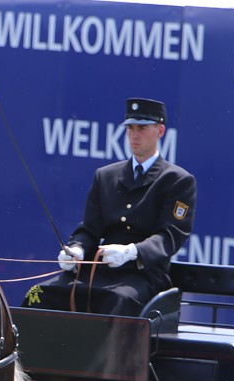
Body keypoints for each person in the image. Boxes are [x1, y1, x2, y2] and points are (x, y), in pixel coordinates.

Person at [23, 98, 196, 316]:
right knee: (38, 294)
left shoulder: (176, 180)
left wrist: (132, 251)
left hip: (143, 274)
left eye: (142, 128)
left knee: (117, 302)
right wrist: (76, 249)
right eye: (130, 128)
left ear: (160, 131)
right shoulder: (106, 176)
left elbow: (169, 237)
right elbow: (90, 228)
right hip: (99, 269)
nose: (134, 135)